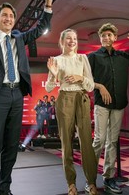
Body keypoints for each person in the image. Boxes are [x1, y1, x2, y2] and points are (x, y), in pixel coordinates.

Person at [0, 0, 52, 194]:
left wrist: (48, 5)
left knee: (11, 147)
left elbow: (39, 30)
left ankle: (4, 188)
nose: (8, 19)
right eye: (4, 15)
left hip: (17, 94)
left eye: (11, 16)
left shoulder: (18, 37)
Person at [85, 23, 129, 194]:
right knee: (99, 140)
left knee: (112, 142)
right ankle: (90, 178)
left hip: (119, 105)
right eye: (103, 35)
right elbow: (84, 79)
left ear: (115, 37)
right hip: (101, 105)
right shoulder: (92, 57)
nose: (106, 38)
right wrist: (99, 86)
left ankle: (108, 178)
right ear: (100, 39)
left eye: (109, 35)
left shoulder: (123, 56)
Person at [45, 29, 98, 195]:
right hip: (64, 98)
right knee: (66, 144)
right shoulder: (56, 60)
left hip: (81, 98)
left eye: (74, 38)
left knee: (86, 144)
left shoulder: (83, 58)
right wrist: (54, 76)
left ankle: (91, 182)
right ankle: (71, 184)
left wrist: (80, 78)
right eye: (68, 38)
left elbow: (90, 86)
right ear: (62, 41)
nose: (72, 41)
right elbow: (48, 88)